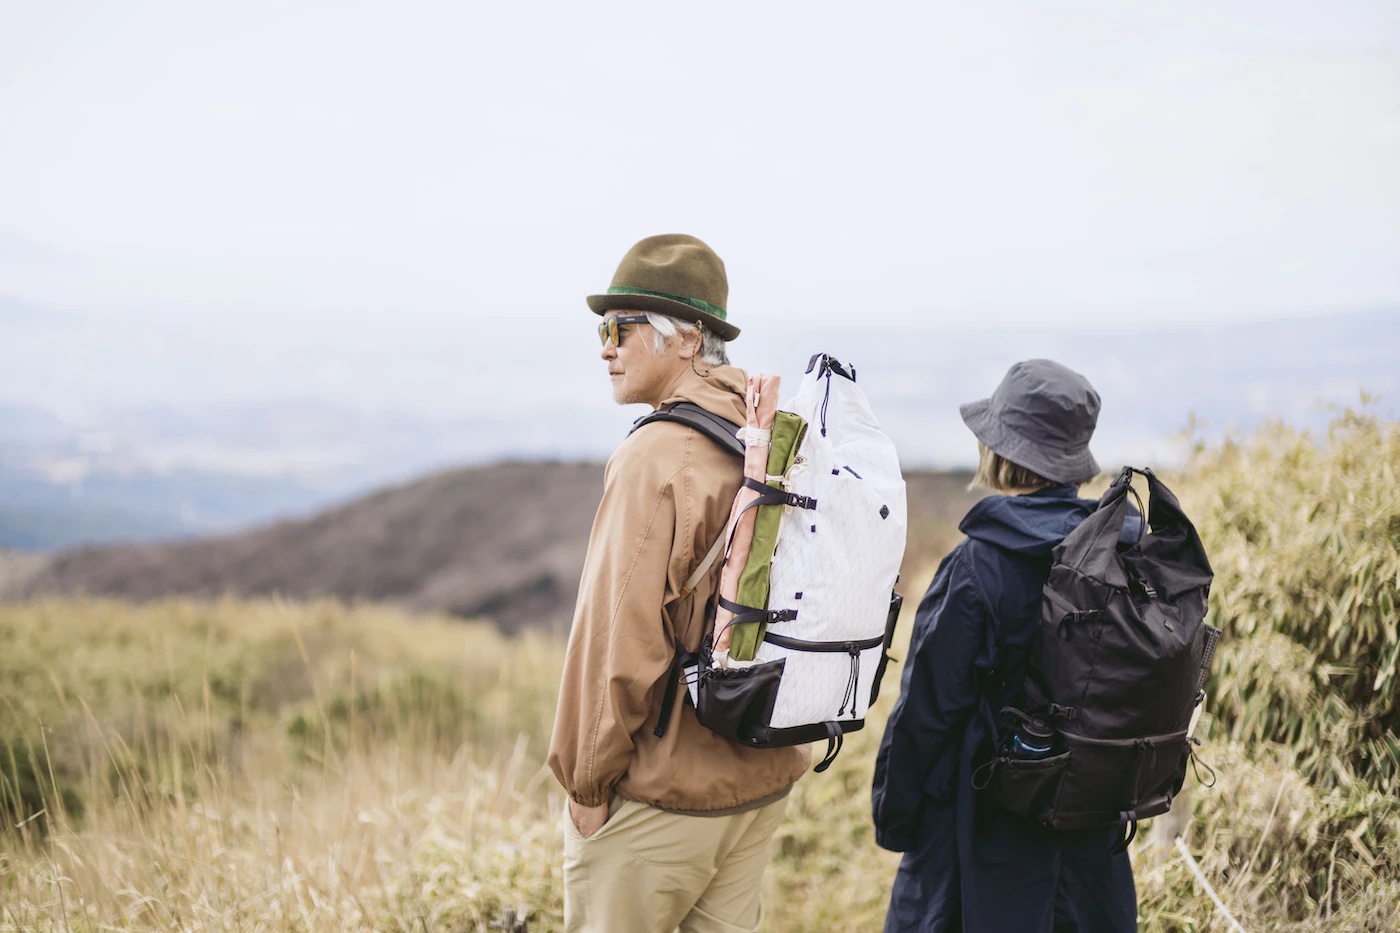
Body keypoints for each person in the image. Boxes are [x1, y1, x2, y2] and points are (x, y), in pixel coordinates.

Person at [548, 234, 808, 933]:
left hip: (664, 800)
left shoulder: (657, 456)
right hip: (760, 778)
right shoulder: (766, 433)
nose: (605, 346)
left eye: (619, 328)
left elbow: (618, 641)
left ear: (688, 338)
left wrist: (587, 781)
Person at [871, 359, 1138, 932]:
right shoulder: (1122, 553)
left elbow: (928, 711)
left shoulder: (977, 566)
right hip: (1093, 837)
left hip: (982, 835)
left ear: (1003, 453)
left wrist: (897, 819)